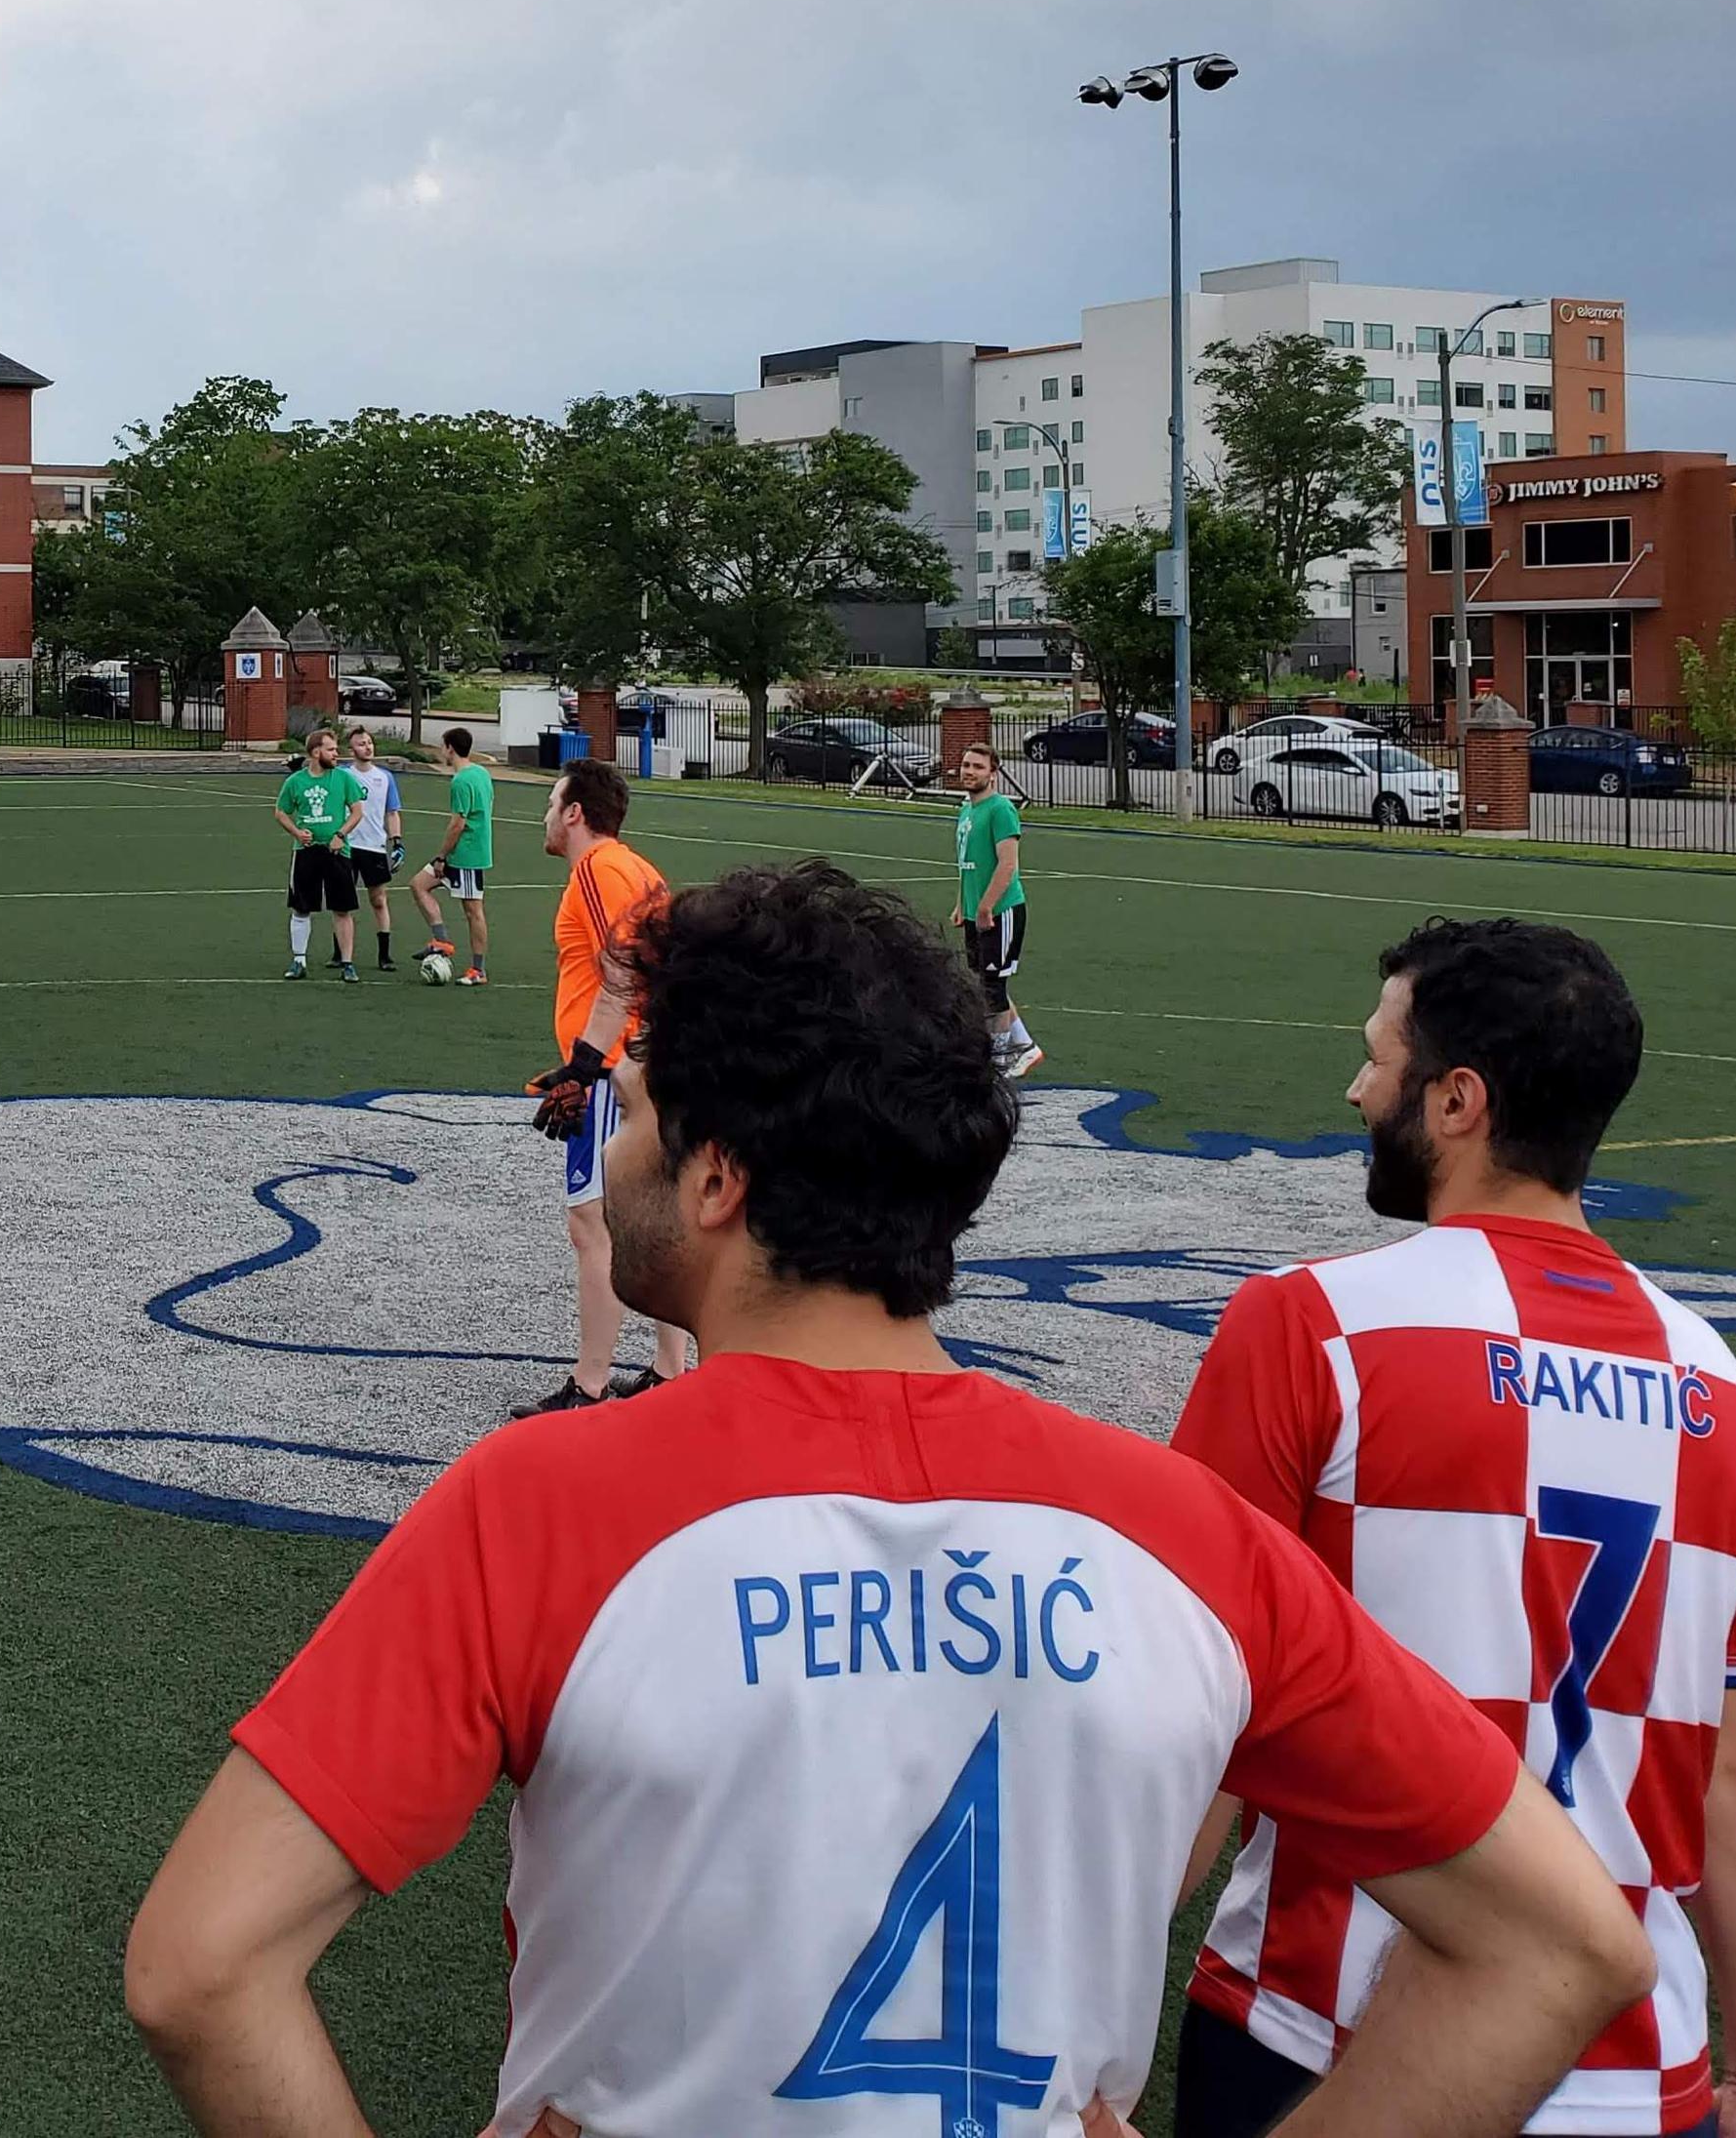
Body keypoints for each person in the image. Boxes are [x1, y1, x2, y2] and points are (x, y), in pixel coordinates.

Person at [124, 864, 1656, 2138]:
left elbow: (200, 1966)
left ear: (719, 1180)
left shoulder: (541, 1501)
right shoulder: (1185, 1534)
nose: (618, 1155)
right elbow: (1566, 1940)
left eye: (642, 1116)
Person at [1167, 918, 1736, 2138]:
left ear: (1458, 1101)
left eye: (1380, 1059)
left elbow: (1192, 1712)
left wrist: (1083, 2033)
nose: (1358, 1089)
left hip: (1322, 2039)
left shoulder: (1314, 1329)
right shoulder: (1733, 1401)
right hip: (1635, 2074)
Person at [520, 758, 693, 1413]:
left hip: (620, 1073)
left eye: (550, 802)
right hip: (648, 1062)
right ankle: (669, 1369)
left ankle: (588, 1384)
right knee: (653, 1218)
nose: (544, 815)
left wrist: (585, 1068)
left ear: (574, 813)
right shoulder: (637, 868)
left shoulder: (596, 869)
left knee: (591, 1225)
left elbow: (622, 969)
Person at [951, 742, 1040, 1079]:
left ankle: (999, 1060)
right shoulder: (966, 810)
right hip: (978, 913)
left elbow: (1007, 866)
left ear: (993, 773)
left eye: (977, 766)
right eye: (966, 765)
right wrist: (963, 904)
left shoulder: (1001, 810)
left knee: (991, 990)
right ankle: (1025, 1048)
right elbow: (966, 864)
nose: (969, 771)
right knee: (985, 983)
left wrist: (987, 906)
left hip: (1000, 912)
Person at [273, 728, 365, 984]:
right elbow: (281, 812)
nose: (337, 754)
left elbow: (357, 812)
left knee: (343, 908)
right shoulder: (295, 782)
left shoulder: (344, 779)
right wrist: (296, 832)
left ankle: (347, 963)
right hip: (306, 853)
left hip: (337, 852)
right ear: (316, 752)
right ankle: (299, 960)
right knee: (301, 908)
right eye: (331, 749)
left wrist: (341, 834)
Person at [407, 726, 494, 986]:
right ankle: (441, 940)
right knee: (419, 885)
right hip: (461, 853)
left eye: (443, 746)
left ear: (450, 748)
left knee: (473, 911)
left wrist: (442, 856)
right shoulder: (481, 772)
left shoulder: (461, 781)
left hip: (467, 855)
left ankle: (478, 970)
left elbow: (458, 823)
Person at [339, 728, 408, 970]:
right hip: (346, 845)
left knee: (378, 900)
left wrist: (396, 842)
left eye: (369, 743)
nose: (367, 747)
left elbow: (392, 812)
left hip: (374, 847)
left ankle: (384, 955)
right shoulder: (342, 775)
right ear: (351, 750)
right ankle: (340, 953)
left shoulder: (385, 777)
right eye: (361, 744)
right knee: (343, 901)